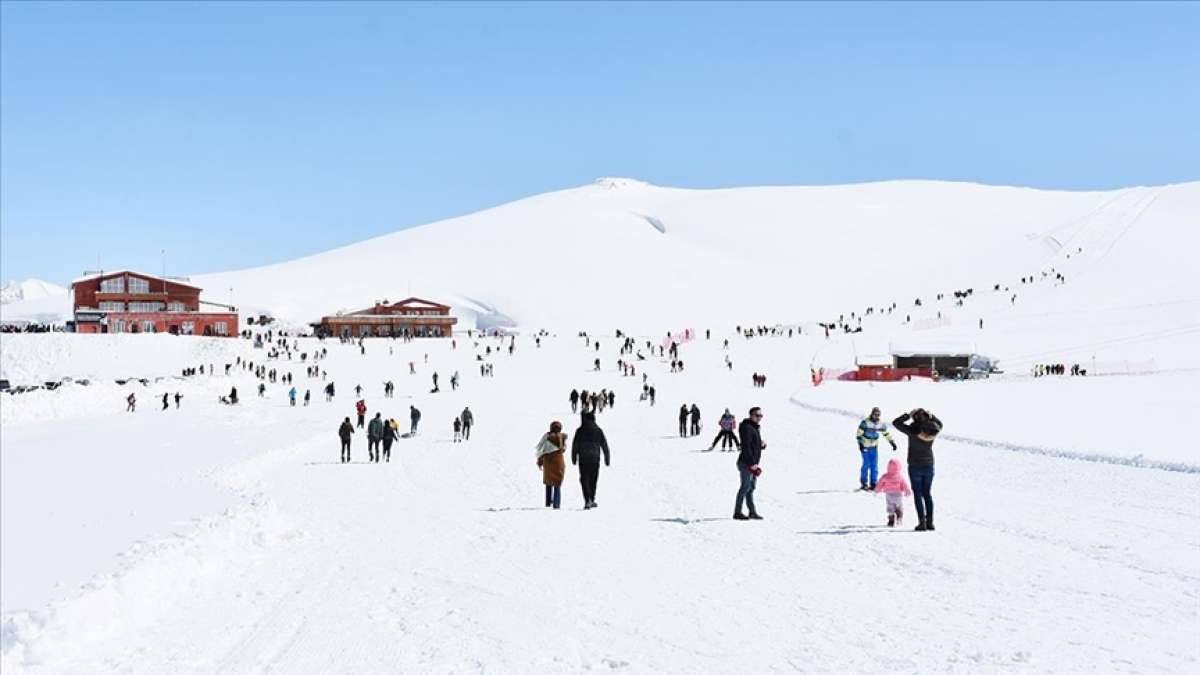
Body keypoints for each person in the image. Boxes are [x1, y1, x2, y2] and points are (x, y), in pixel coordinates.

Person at [892, 408, 943, 531]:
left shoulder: (912, 430)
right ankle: (930, 522)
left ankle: (922, 523)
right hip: (929, 465)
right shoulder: (933, 429)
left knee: (918, 494)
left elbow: (896, 423)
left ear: (914, 418)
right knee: (927, 494)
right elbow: (940, 425)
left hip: (915, 466)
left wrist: (907, 415)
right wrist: (931, 416)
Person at [571, 412, 610, 509]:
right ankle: (591, 498)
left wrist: (574, 457)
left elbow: (575, 445)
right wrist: (607, 458)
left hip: (583, 458)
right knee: (593, 479)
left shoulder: (580, 430)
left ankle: (588, 499)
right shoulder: (598, 430)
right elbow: (604, 445)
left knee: (584, 479)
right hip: (595, 459)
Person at [734, 407, 765, 520]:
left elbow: (752, 444)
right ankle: (737, 512)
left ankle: (752, 512)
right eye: (757, 415)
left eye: (760, 416)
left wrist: (761, 444)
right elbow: (746, 446)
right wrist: (752, 463)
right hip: (746, 463)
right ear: (751, 415)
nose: (759, 418)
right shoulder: (747, 427)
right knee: (745, 487)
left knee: (750, 488)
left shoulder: (754, 427)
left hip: (752, 463)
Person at [856, 407, 897, 490]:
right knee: (866, 464)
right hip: (865, 446)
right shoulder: (865, 422)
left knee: (874, 466)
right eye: (875, 414)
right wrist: (860, 444)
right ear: (872, 414)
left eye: (878, 415)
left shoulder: (880, 423)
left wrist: (891, 442)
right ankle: (864, 483)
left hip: (874, 447)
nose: (876, 416)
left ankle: (873, 483)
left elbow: (886, 433)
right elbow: (858, 434)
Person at [536, 421, 568, 509]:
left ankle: (547, 503)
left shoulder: (546, 437)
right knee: (557, 484)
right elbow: (564, 449)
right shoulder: (562, 438)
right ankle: (556, 504)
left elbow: (540, 450)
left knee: (548, 482)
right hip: (559, 463)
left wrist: (539, 461)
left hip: (548, 463)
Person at [874, 458, 912, 527]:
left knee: (890, 507)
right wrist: (907, 491)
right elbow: (904, 485)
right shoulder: (900, 477)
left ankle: (891, 519)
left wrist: (877, 490)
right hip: (898, 494)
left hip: (889, 494)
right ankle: (899, 515)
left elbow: (880, 484)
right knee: (899, 505)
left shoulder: (885, 476)